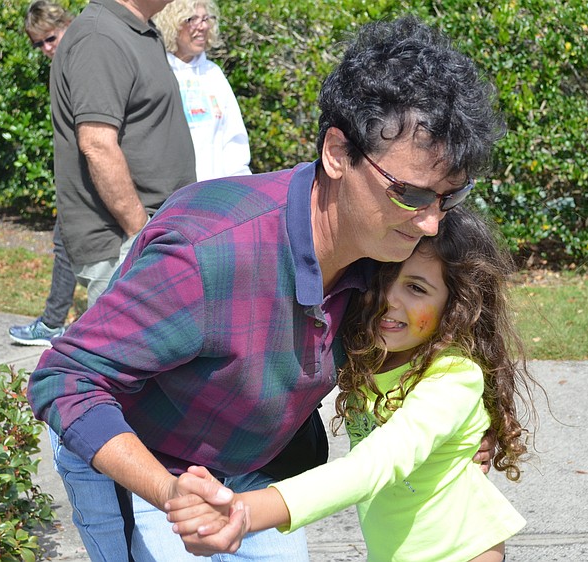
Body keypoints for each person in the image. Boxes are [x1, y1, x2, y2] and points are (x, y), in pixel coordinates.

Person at [27, 15, 501, 561]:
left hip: (254, 472)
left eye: (448, 199)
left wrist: (462, 430)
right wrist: (168, 491)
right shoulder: (208, 251)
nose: (431, 224)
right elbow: (66, 378)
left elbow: (431, 347)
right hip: (152, 469)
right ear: (338, 153)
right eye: (411, 195)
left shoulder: (385, 257)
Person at [167, 207, 538, 561]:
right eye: (385, 277)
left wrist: (247, 510)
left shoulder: (452, 376)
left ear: (456, 306)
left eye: (417, 289)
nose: (390, 298)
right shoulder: (369, 349)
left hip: (462, 549)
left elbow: (372, 466)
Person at [49, 0, 196, 308]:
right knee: (124, 354)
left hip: (155, 234)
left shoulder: (140, 30)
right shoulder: (99, 36)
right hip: (124, 245)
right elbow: (97, 145)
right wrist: (141, 233)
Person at [8, 0, 76, 346]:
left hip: (90, 178)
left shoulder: (79, 58)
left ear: (65, 23)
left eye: (49, 38)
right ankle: (54, 321)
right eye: (38, 44)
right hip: (78, 179)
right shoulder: (65, 61)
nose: (46, 49)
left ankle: (54, 324)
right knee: (65, 242)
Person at [154, 0, 251, 181]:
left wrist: (241, 183)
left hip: (216, 194)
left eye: (206, 19)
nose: (203, 26)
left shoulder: (213, 74)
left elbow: (234, 137)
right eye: (192, 19)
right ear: (172, 24)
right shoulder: (158, 71)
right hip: (173, 194)